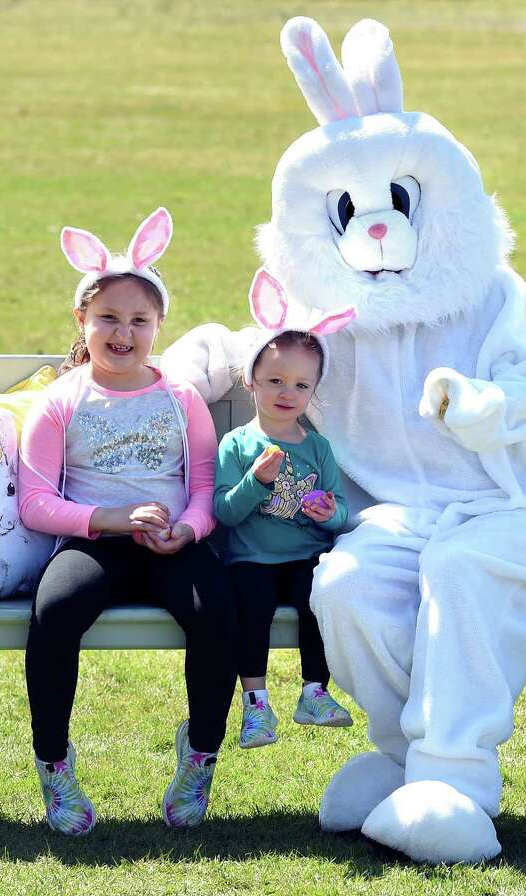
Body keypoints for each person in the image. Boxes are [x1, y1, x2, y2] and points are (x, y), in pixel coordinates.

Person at [17, 208, 236, 835]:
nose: (123, 332)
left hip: (173, 546)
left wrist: (189, 530)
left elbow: (203, 485)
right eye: (108, 317)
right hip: (97, 546)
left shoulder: (181, 398)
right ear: (81, 321)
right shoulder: (61, 401)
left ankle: (199, 755)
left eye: (139, 320)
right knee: (55, 613)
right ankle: (55, 767)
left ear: (158, 325)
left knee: (217, 609)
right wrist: (111, 519)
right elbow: (36, 502)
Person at [213, 270, 356, 749]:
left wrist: (326, 513)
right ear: (251, 381)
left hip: (305, 555)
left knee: (320, 602)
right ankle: (255, 705)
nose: (286, 393)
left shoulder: (318, 448)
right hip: (252, 559)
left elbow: (340, 515)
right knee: (249, 610)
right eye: (274, 380)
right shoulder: (238, 443)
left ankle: (314, 692)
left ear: (313, 392)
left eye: (300, 385)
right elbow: (224, 513)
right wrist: (257, 482)